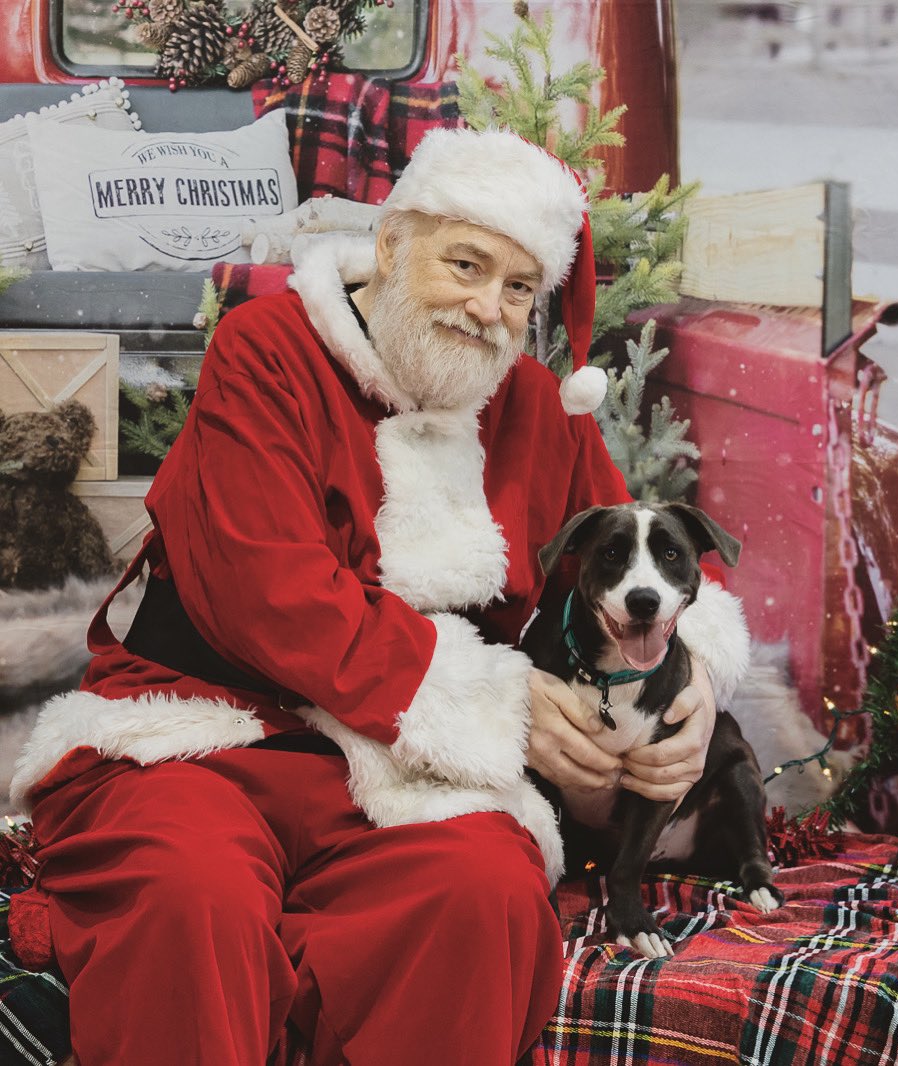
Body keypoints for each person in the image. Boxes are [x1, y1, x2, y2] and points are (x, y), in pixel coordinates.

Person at [11, 128, 749, 1065]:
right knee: (189, 897)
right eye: (466, 265)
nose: (487, 308)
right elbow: (271, 596)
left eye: (518, 288)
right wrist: (503, 705)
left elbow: (641, 561)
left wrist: (696, 684)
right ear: (394, 243)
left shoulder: (533, 404)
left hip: (406, 776)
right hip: (200, 734)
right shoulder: (268, 349)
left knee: (483, 892)